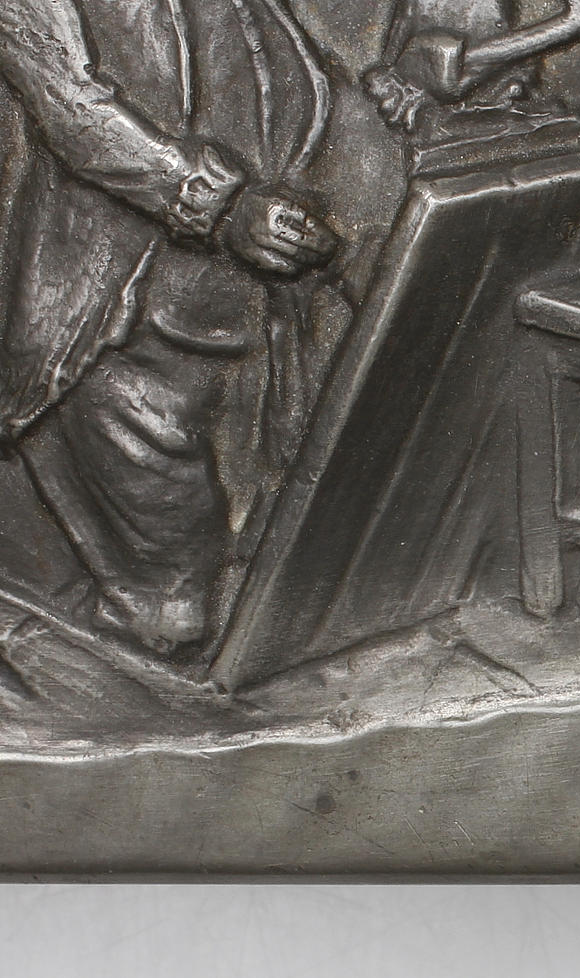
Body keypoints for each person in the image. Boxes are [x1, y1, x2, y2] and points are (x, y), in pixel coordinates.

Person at [0, 0, 341, 658]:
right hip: (112, 313)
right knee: (170, 598)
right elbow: (71, 104)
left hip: (261, 308)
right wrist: (220, 205)